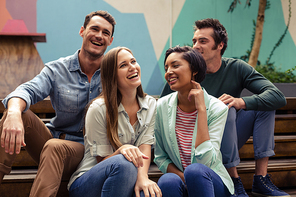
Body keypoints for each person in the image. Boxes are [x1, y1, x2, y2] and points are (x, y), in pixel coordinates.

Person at [160, 19, 289, 197]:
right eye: (194, 41)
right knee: (225, 108)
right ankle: (233, 178)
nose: (196, 46)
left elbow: (277, 97)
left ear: (220, 45)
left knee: (260, 106)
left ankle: (261, 178)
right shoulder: (183, 74)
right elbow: (162, 114)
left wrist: (241, 102)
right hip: (193, 143)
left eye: (203, 41)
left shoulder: (236, 68)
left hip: (226, 137)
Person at [0, 10, 115, 196]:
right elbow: (26, 90)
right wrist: (13, 113)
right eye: (94, 29)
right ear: (82, 31)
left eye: (106, 33)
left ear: (110, 41)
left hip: (91, 152)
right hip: (50, 146)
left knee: (55, 147)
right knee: (17, 112)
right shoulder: (57, 69)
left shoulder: (114, 73)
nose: (99, 36)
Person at [68, 46, 162, 197]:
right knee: (123, 163)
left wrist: (143, 178)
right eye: (123, 65)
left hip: (128, 177)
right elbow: (101, 161)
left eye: (133, 61)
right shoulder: (98, 109)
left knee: (148, 192)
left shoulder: (150, 104)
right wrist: (121, 151)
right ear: (112, 76)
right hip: (87, 183)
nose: (132, 67)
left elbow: (145, 147)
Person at [154, 45, 234, 197]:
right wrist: (184, 178)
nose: (169, 72)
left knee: (195, 170)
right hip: (182, 181)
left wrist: (202, 110)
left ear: (194, 70)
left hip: (211, 182)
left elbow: (207, 162)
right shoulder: (161, 106)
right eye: (166, 68)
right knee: (167, 180)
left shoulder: (217, 108)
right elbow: (160, 156)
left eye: (175, 65)